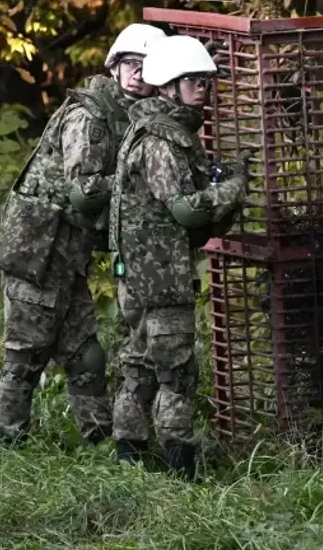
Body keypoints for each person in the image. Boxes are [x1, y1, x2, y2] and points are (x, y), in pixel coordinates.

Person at [0, 23, 166, 446]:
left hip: (68, 252)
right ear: (115, 66)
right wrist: (137, 183)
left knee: (85, 353)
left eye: (148, 67)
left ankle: (99, 439)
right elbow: (85, 191)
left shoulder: (132, 114)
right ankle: (10, 444)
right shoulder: (91, 115)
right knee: (26, 354)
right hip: (39, 248)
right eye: (131, 65)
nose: (139, 74)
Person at [109, 35, 250, 479]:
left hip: (140, 272)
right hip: (159, 277)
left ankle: (130, 460)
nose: (202, 88)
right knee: (175, 373)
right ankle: (179, 470)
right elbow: (186, 211)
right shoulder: (163, 140)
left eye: (205, 81)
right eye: (193, 81)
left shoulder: (155, 129)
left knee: (141, 363)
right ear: (168, 86)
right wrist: (234, 187)